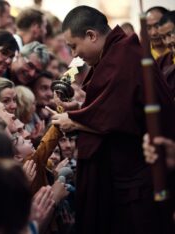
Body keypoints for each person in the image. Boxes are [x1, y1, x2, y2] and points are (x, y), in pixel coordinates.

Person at [51, 5, 175, 234]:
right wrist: (80, 109)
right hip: (130, 173)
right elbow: (114, 107)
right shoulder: (118, 54)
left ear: (91, 35)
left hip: (141, 176)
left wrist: (76, 120)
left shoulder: (124, 58)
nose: (74, 54)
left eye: (74, 46)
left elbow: (119, 117)